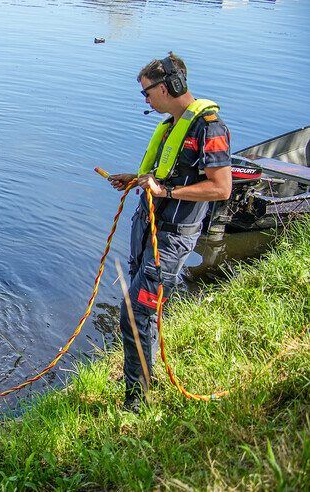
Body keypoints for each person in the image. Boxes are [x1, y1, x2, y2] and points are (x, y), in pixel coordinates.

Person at [107, 52, 233, 413]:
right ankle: (144, 374)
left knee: (134, 312)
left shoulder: (210, 128)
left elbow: (221, 188)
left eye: (147, 93)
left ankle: (137, 400)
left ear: (168, 87)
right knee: (140, 308)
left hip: (173, 236)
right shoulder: (170, 126)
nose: (146, 100)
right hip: (147, 227)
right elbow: (168, 174)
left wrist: (167, 193)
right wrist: (135, 178)